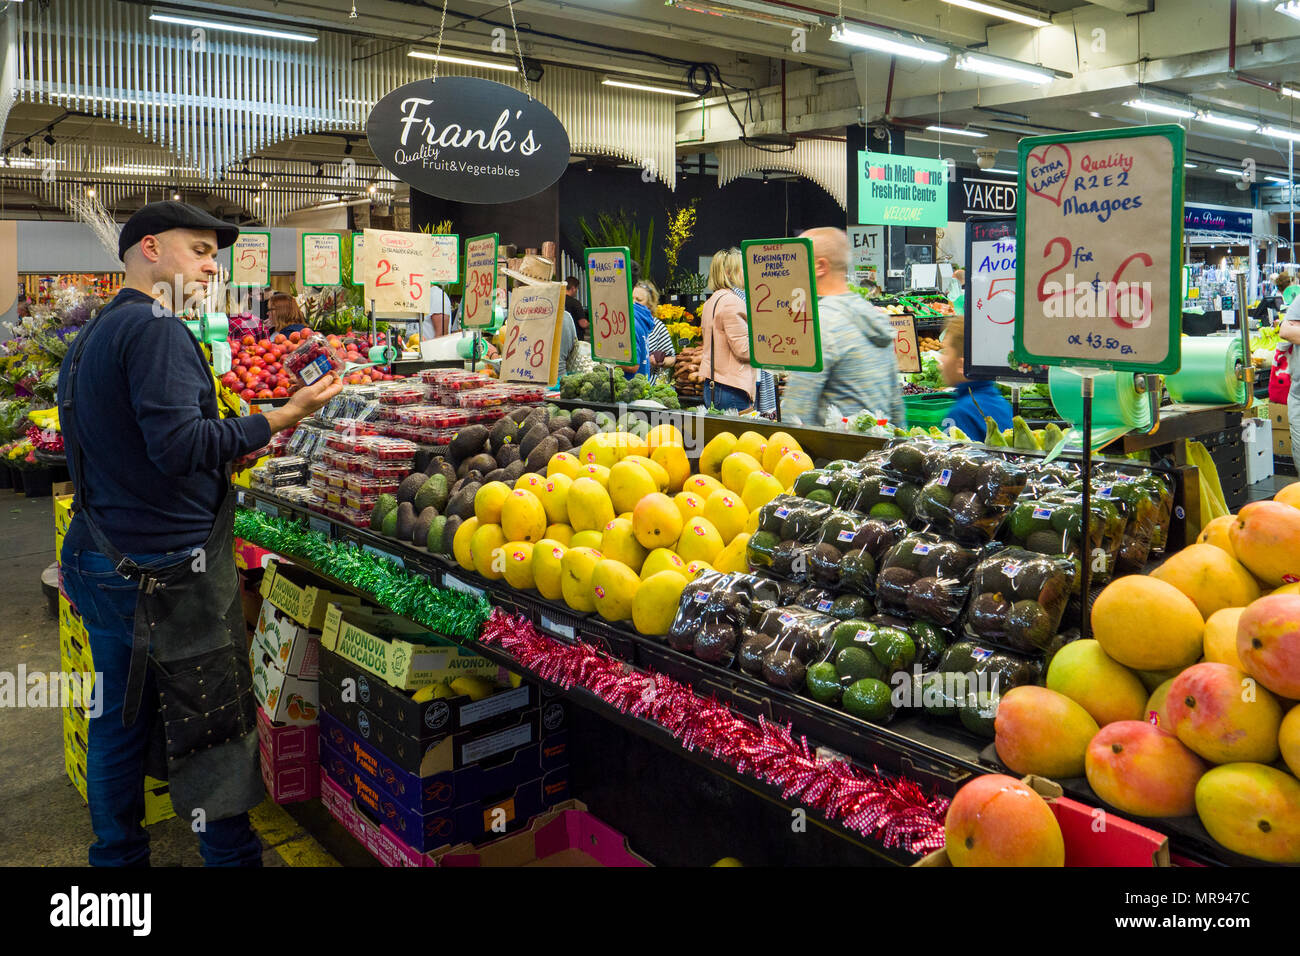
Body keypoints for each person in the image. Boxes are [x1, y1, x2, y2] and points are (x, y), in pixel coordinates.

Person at [57, 201, 343, 867]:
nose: (213, 266)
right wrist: (283, 417)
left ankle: (117, 860)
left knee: (118, 722)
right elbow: (180, 446)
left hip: (106, 557)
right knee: (212, 729)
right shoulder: (156, 328)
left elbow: (134, 445)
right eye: (200, 250)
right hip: (167, 575)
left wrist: (233, 433)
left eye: (215, 253)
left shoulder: (101, 330)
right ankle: (230, 858)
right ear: (149, 249)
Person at [782, 228, 904, 427]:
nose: (793, 271)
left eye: (798, 261)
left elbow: (797, 415)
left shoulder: (820, 322)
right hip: (877, 451)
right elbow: (896, 404)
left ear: (820, 266)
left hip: (834, 454)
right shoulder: (871, 314)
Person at [936, 314, 1013, 440]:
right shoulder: (1001, 404)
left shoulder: (961, 413)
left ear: (961, 365)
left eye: (946, 352)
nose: (941, 360)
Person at [697, 248, 755, 411]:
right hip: (732, 388)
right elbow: (744, 350)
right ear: (729, 273)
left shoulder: (712, 300)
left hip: (714, 384)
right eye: (743, 268)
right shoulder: (733, 302)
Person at [635, 280, 675, 383]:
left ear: (650, 304)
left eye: (638, 300)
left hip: (648, 385)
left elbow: (672, 359)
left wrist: (659, 361)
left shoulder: (657, 327)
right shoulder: (624, 325)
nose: (633, 303)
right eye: (631, 299)